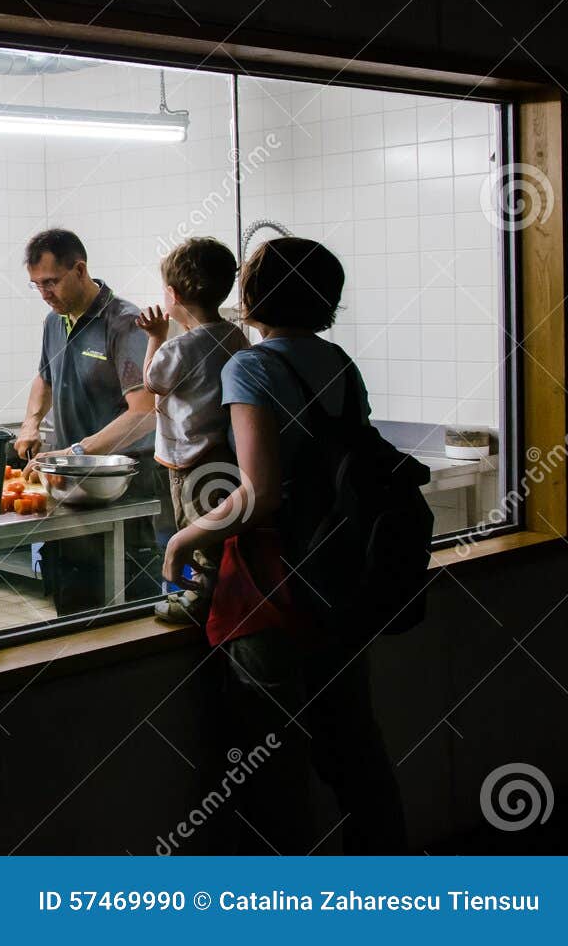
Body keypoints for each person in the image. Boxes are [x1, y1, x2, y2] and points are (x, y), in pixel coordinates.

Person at [162, 237, 408, 853]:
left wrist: (185, 537)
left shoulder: (251, 365)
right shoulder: (339, 362)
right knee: (355, 750)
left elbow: (259, 492)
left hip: (273, 587)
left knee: (270, 763)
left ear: (254, 294)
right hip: (340, 578)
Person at [15, 228, 169, 615]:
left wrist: (77, 452)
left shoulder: (124, 323)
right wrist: (31, 423)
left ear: (79, 270)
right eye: (36, 286)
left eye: (51, 282)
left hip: (121, 485)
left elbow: (143, 413)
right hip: (69, 487)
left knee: (128, 600)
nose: (44, 294)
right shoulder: (55, 321)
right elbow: (44, 378)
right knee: (75, 597)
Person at [135, 237, 248, 625]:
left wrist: (154, 336)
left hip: (187, 457)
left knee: (194, 529)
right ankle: (219, 594)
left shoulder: (178, 348)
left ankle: (200, 602)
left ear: (173, 294)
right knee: (218, 528)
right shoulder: (234, 335)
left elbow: (151, 382)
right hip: (225, 451)